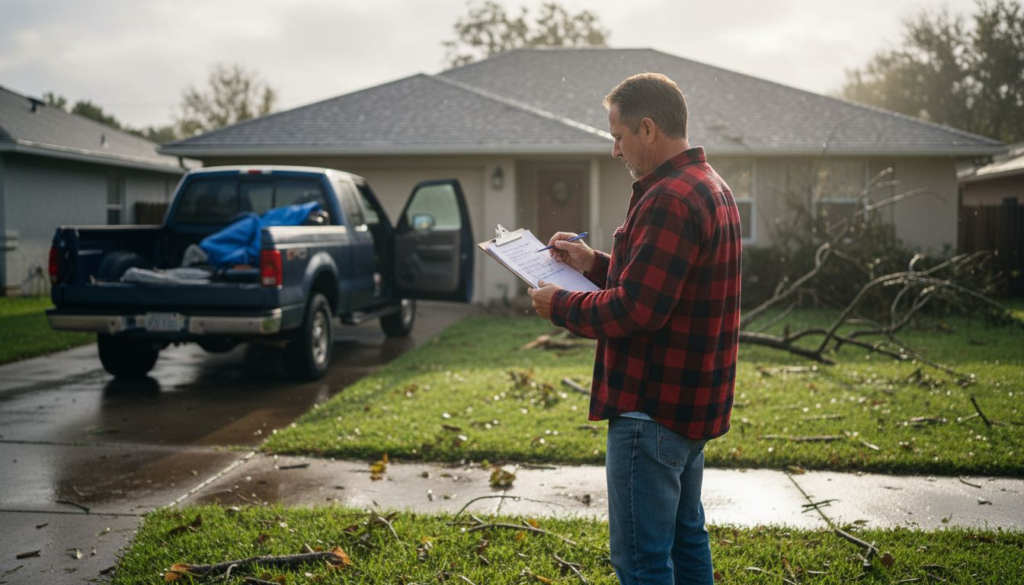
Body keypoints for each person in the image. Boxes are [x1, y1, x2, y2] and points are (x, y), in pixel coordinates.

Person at [527, 73, 742, 585]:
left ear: (648, 129)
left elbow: (637, 310)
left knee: (643, 563)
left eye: (618, 136)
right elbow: (662, 285)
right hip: (689, 407)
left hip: (651, 411)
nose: (614, 150)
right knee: (687, 541)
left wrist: (560, 304)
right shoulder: (710, 186)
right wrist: (591, 262)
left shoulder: (669, 197)